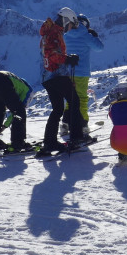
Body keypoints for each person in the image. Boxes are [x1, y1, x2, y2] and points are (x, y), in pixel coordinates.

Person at [38, 8, 83, 156]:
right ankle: (76, 137)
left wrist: (66, 58)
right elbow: (52, 54)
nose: (70, 29)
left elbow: (50, 53)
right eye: (71, 25)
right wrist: (67, 59)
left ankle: (49, 142)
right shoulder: (54, 33)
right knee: (74, 102)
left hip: (47, 76)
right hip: (56, 75)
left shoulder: (48, 32)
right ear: (66, 20)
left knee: (57, 109)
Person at [63, 14, 104, 137]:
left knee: (70, 98)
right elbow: (99, 48)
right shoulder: (86, 35)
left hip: (66, 72)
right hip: (81, 73)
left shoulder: (65, 35)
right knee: (81, 99)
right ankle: (83, 124)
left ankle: (65, 123)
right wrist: (94, 36)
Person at [0, 70, 33, 152]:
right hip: (3, 81)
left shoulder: (17, 84)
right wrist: (5, 126)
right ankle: (18, 143)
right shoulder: (28, 91)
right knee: (20, 111)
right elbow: (17, 112)